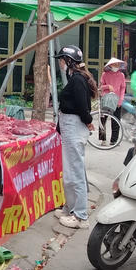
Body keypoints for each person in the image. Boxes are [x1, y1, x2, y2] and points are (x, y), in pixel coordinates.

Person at [53, 45, 97, 229]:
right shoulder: (76, 77)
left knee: (75, 172)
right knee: (70, 171)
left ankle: (80, 216)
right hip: (69, 126)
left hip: (74, 127)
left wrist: (88, 121)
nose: (60, 63)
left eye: (62, 59)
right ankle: (70, 208)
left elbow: (81, 106)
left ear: (69, 61)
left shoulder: (77, 80)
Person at [97, 58, 126, 142]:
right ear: (110, 65)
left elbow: (123, 88)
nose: (116, 66)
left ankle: (114, 140)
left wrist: (120, 100)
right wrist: (108, 86)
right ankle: (103, 139)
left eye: (118, 65)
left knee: (116, 120)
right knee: (103, 119)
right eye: (114, 65)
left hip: (117, 99)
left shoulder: (121, 75)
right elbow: (100, 87)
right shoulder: (104, 74)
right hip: (106, 98)